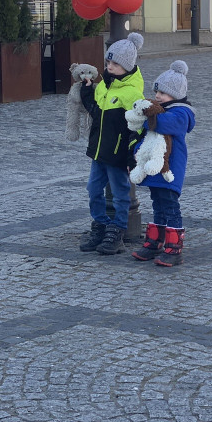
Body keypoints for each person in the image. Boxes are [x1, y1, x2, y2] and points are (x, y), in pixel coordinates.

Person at [78, 32, 146, 255]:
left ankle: (117, 231)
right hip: (99, 152)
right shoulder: (103, 87)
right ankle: (100, 225)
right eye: (108, 62)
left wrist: (130, 158)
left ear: (127, 66)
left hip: (117, 156)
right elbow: (96, 113)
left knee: (120, 193)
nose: (110, 67)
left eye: (115, 64)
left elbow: (136, 129)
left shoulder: (132, 93)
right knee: (93, 190)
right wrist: (87, 92)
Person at [130, 60, 195, 266]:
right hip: (154, 169)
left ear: (175, 96)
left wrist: (149, 111)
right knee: (157, 204)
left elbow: (163, 125)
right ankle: (154, 241)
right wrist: (137, 152)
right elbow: (146, 136)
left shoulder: (181, 113)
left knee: (170, 206)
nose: (158, 96)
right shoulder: (161, 109)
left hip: (170, 170)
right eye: (157, 91)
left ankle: (174, 247)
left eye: (163, 93)